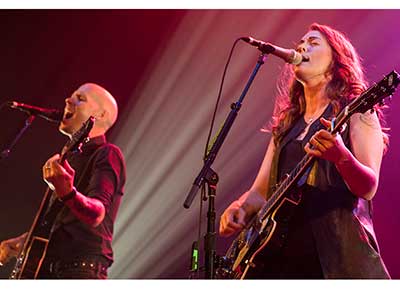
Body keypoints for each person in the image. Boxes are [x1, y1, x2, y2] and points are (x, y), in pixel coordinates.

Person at [219, 23, 390, 279]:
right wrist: (241, 207)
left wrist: (341, 156)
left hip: (333, 259)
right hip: (277, 259)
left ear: (336, 61)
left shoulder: (357, 112)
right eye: (301, 42)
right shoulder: (287, 124)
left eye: (313, 43)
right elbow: (260, 192)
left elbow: (368, 187)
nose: (301, 47)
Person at [0, 83, 126, 279]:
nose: (68, 100)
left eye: (80, 98)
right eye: (71, 96)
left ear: (100, 115)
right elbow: (62, 224)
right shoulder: (70, 158)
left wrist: (68, 192)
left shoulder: (107, 154)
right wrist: (25, 241)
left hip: (78, 273)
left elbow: (98, 212)